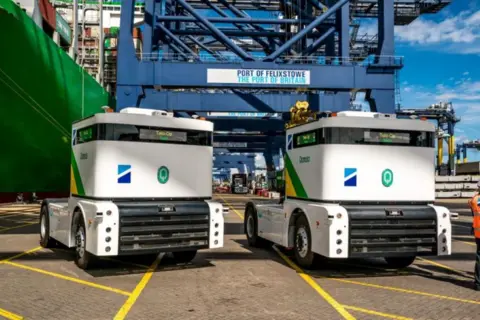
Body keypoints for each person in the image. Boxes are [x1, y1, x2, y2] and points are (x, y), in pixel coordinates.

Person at [467, 180, 480, 291]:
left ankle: (478, 284)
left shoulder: (474, 199)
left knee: (479, 258)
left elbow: (470, 204)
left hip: (478, 233)